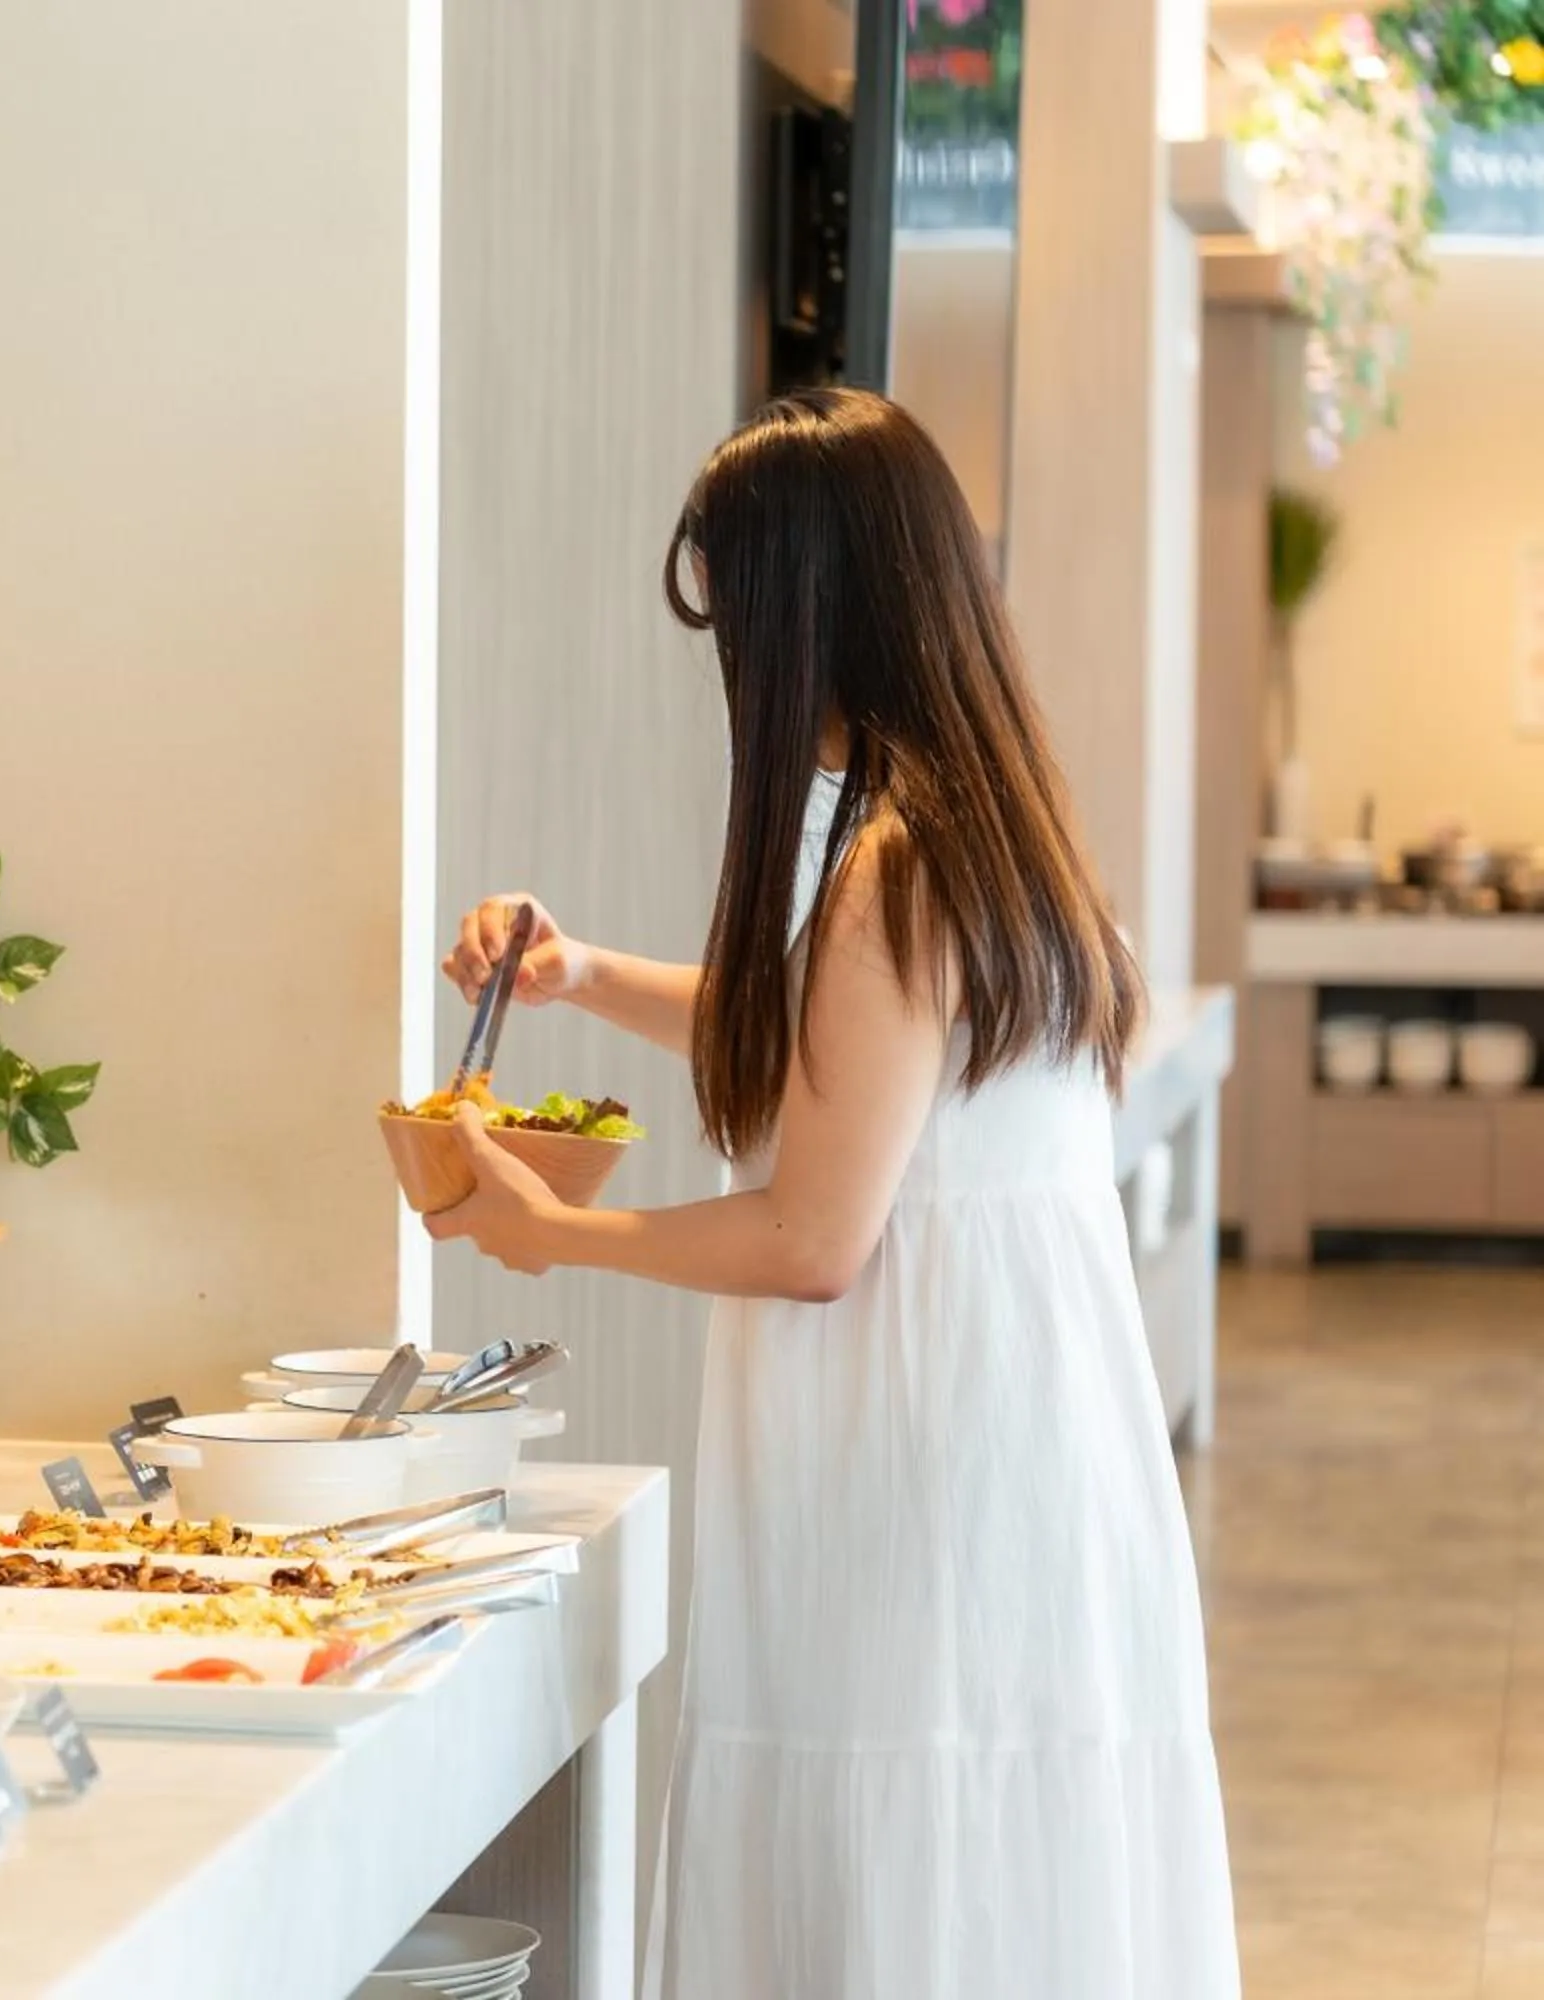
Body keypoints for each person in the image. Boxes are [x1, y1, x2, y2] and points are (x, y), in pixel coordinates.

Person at [432, 387, 1237, 1999]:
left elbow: (813, 1237)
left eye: (738, 621)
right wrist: (582, 974)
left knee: (890, 1851)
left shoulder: (889, 869)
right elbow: (850, 1056)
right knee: (999, 1868)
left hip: (910, 1463)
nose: (735, 667)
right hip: (1021, 1451)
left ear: (813, 616)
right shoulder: (998, 834)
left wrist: (548, 1230)